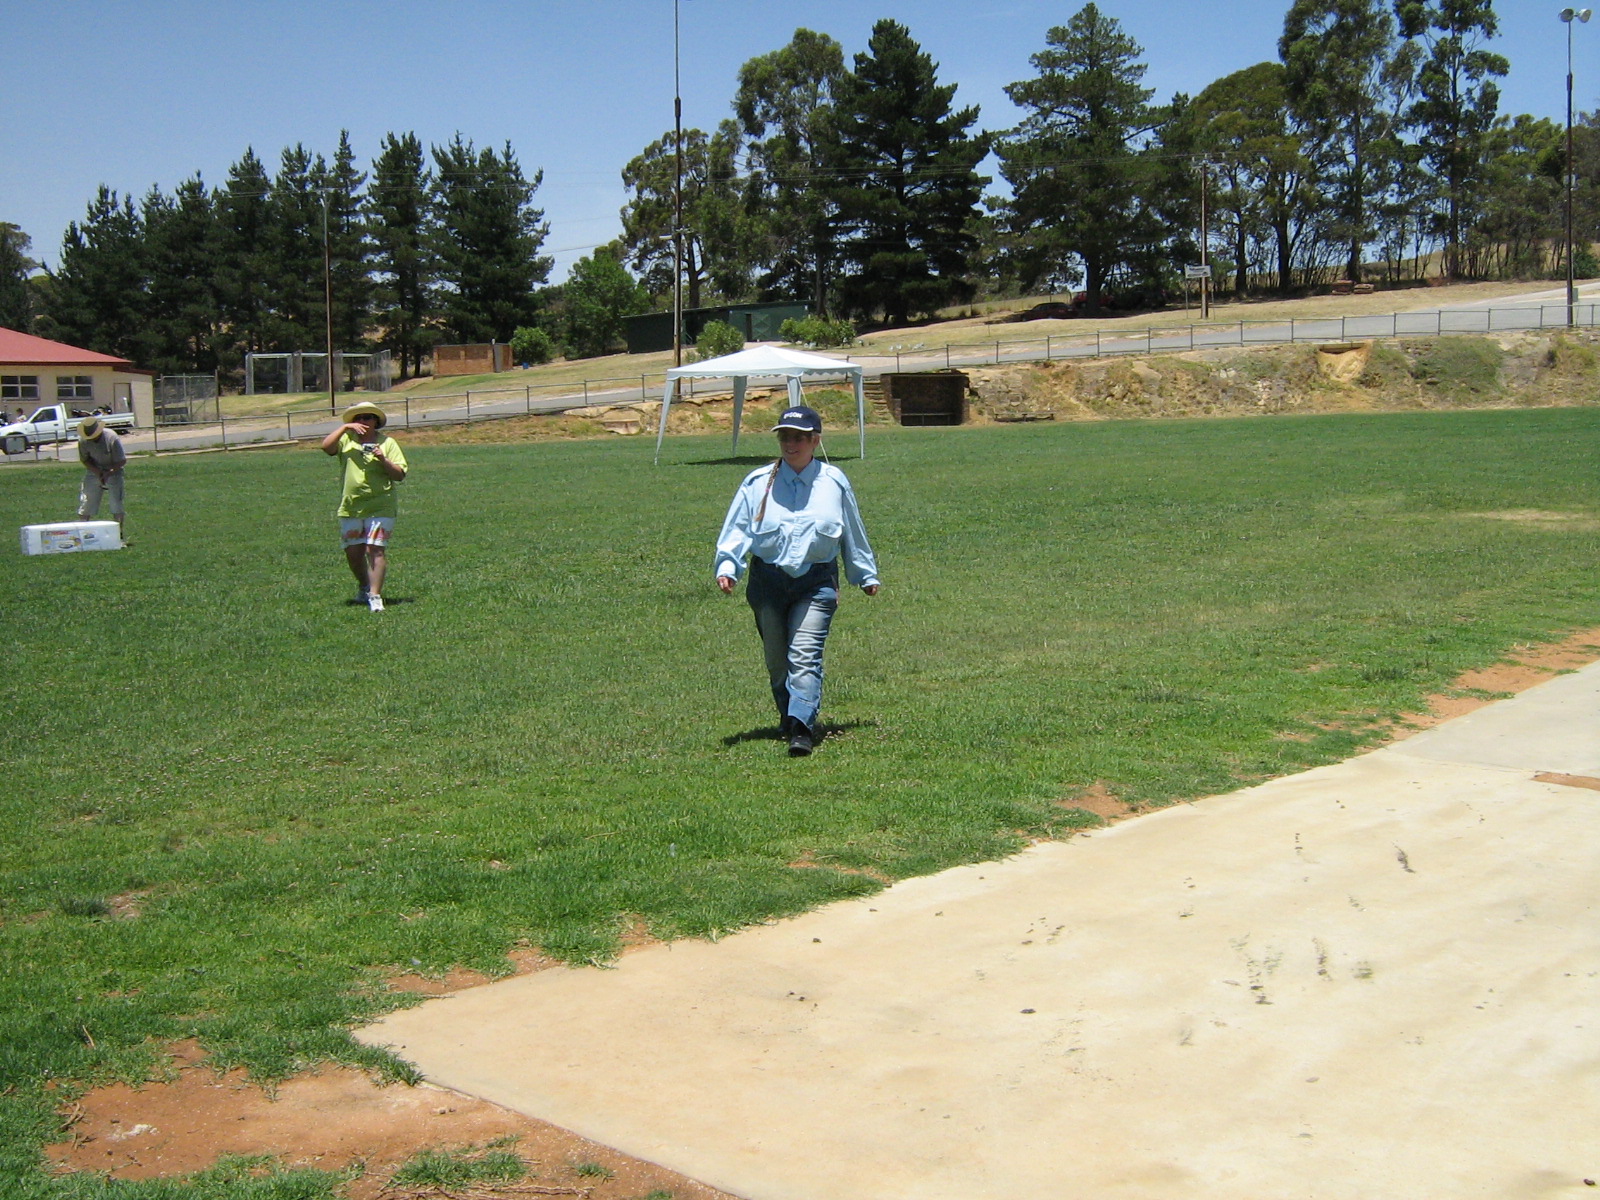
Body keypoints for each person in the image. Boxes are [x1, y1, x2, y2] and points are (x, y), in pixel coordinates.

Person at [714, 404, 880, 756]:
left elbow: (852, 530)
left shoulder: (833, 481)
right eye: (785, 437)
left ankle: (802, 727)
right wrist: (728, 567)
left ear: (815, 441)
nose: (791, 444)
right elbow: (738, 528)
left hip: (816, 581)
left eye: (799, 438)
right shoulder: (758, 482)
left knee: (804, 654)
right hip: (767, 581)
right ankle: (788, 716)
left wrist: (864, 574)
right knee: (777, 661)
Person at [320, 401, 407, 612]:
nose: (362, 421)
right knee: (353, 552)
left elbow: (399, 475)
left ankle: (375, 596)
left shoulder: (387, 443)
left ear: (375, 421)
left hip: (381, 504)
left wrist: (382, 458)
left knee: (375, 549)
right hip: (351, 505)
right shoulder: (346, 440)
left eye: (367, 417)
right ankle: (364, 586)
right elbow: (326, 447)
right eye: (357, 418)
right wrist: (344, 428)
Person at [76, 416, 127, 538]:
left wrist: (108, 473)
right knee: (87, 502)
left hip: (114, 470)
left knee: (116, 503)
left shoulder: (112, 438)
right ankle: (83, 534)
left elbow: (122, 460)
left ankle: (118, 535)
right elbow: (85, 459)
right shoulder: (83, 441)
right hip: (94, 470)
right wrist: (98, 472)